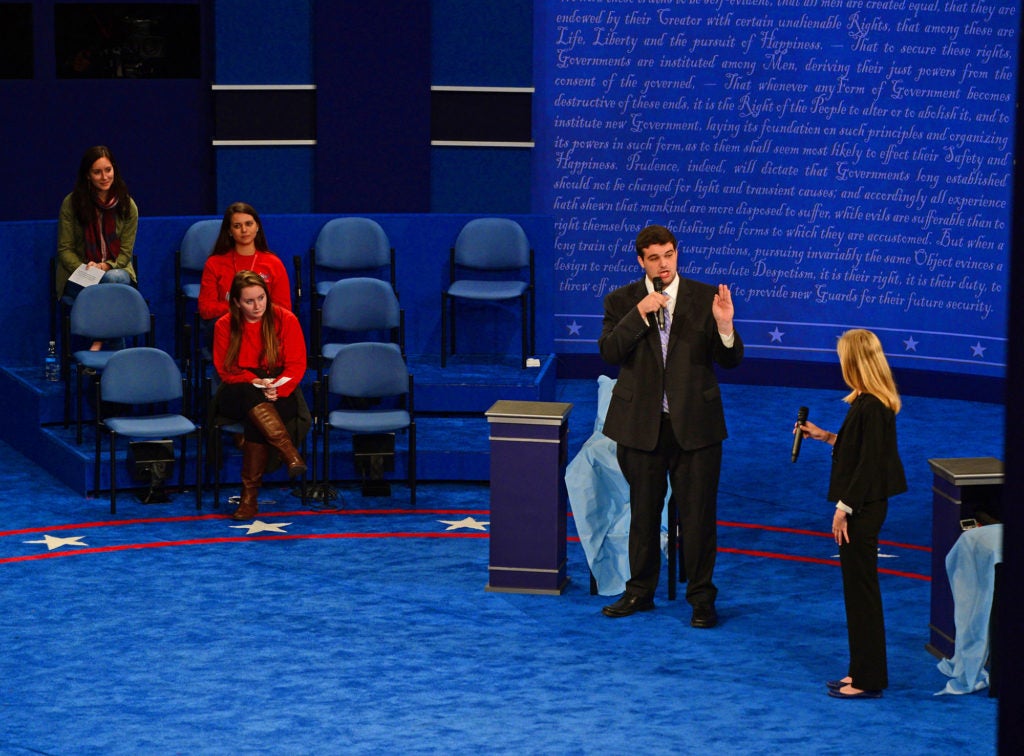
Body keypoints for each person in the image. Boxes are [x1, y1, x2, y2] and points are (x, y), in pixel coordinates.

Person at [598, 224, 743, 627]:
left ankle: (701, 598)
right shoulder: (622, 301)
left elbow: (730, 360)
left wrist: (726, 326)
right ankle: (640, 592)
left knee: (698, 517)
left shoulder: (704, 298)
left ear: (677, 253)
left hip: (696, 427)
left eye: (669, 255)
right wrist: (639, 314)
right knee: (643, 515)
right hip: (641, 427)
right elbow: (610, 352)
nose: (663, 264)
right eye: (654, 258)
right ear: (641, 261)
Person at [795, 328, 907, 699]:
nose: (840, 364)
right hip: (866, 505)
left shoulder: (873, 405)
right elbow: (859, 449)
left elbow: (869, 464)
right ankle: (861, 670)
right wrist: (824, 436)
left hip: (863, 508)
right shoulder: (867, 402)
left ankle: (868, 679)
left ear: (856, 362)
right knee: (857, 593)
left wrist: (843, 509)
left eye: (844, 358)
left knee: (861, 594)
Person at [212, 270, 307, 521]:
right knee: (249, 395)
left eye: (261, 298)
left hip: (278, 386)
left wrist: (278, 388)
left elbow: (297, 364)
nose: (258, 306)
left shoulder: (285, 319)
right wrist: (254, 380)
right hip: (236, 390)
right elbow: (226, 370)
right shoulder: (224, 325)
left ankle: (249, 499)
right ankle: (290, 454)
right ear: (236, 302)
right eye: (249, 301)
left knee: (258, 418)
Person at [56, 146, 139, 348]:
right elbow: (64, 249)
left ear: (114, 170)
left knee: (114, 277)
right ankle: (117, 359)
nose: (104, 177)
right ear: (88, 175)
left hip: (115, 270)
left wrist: (105, 266)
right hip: (79, 274)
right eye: (97, 172)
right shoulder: (72, 203)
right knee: (115, 288)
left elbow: (125, 254)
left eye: (108, 170)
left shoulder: (128, 205)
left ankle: (98, 342)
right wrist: (87, 268)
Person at [198, 202, 293, 323]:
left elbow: (283, 309)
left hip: (265, 327)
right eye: (237, 226)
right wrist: (242, 308)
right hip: (229, 325)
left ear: (257, 226)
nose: (244, 230)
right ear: (229, 231)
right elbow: (206, 309)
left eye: (249, 224)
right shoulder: (214, 263)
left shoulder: (273, 263)